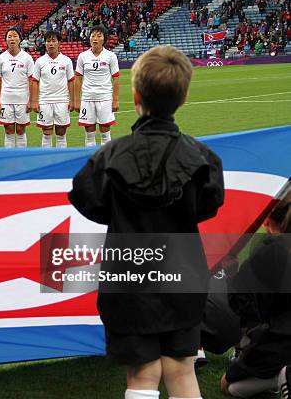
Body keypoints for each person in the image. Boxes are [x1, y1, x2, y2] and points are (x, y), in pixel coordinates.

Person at [69, 45, 225, 399]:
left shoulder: (109, 156)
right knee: (182, 371)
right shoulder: (203, 158)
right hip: (182, 276)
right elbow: (209, 205)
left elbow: (86, 199)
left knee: (141, 376)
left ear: (136, 95)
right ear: (183, 98)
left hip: (128, 278)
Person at [220, 194, 291, 397]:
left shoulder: (272, 250)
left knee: (230, 386)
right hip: (277, 336)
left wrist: (231, 273)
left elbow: (241, 303)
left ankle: (282, 375)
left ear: (267, 220)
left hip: (279, 341)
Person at [74, 25, 119, 147]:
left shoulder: (111, 56)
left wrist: (115, 100)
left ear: (104, 39)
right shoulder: (83, 56)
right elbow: (78, 79)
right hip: (87, 98)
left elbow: (116, 78)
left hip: (105, 98)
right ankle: (91, 161)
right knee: (89, 134)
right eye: (93, 35)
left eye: (99, 36)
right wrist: (77, 101)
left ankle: (106, 160)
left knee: (105, 132)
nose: (95, 38)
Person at [31, 30, 75, 148]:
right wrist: (34, 101)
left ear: (59, 42)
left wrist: (72, 100)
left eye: (53, 41)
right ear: (45, 43)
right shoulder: (40, 61)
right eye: (48, 41)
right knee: (46, 132)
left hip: (62, 100)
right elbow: (35, 82)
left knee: (61, 132)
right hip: (45, 101)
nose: (51, 44)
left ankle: (61, 159)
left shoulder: (66, 61)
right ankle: (47, 160)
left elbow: (71, 81)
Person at [0, 27, 34, 148]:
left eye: (15, 36)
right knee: (9, 131)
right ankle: (9, 161)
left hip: (22, 99)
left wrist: (31, 100)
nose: (12, 39)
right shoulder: (0, 58)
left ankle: (21, 159)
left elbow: (32, 80)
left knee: (21, 130)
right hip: (6, 100)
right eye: (9, 36)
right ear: (5, 40)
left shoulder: (27, 58)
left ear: (20, 39)